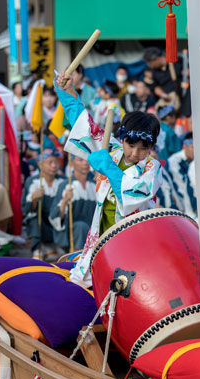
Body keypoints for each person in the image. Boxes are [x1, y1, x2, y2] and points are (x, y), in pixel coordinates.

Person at [56, 71, 163, 287]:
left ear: (151, 147)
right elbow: (84, 125)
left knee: (124, 288)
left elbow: (132, 197)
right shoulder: (111, 149)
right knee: (81, 283)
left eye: (143, 148)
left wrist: (108, 167)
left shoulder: (153, 167)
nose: (135, 153)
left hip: (132, 241)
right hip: (100, 235)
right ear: (122, 139)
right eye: (131, 145)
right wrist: (68, 92)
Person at [22, 150, 66, 260]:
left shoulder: (63, 181)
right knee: (35, 217)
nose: (54, 165)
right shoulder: (32, 181)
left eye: (56, 162)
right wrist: (34, 198)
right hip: (40, 222)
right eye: (50, 162)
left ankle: (56, 245)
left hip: (56, 221)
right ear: (40, 164)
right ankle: (38, 248)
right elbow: (26, 209)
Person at [50, 155, 96, 253]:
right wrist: (65, 200)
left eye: (87, 160)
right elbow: (55, 216)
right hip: (72, 232)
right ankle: (77, 254)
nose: (85, 163)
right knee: (81, 226)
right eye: (80, 160)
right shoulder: (66, 185)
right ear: (72, 163)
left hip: (92, 230)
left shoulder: (94, 185)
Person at [167, 132, 197, 218]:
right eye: (193, 147)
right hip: (180, 209)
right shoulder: (174, 161)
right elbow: (181, 188)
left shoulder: (197, 161)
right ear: (184, 146)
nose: (196, 151)